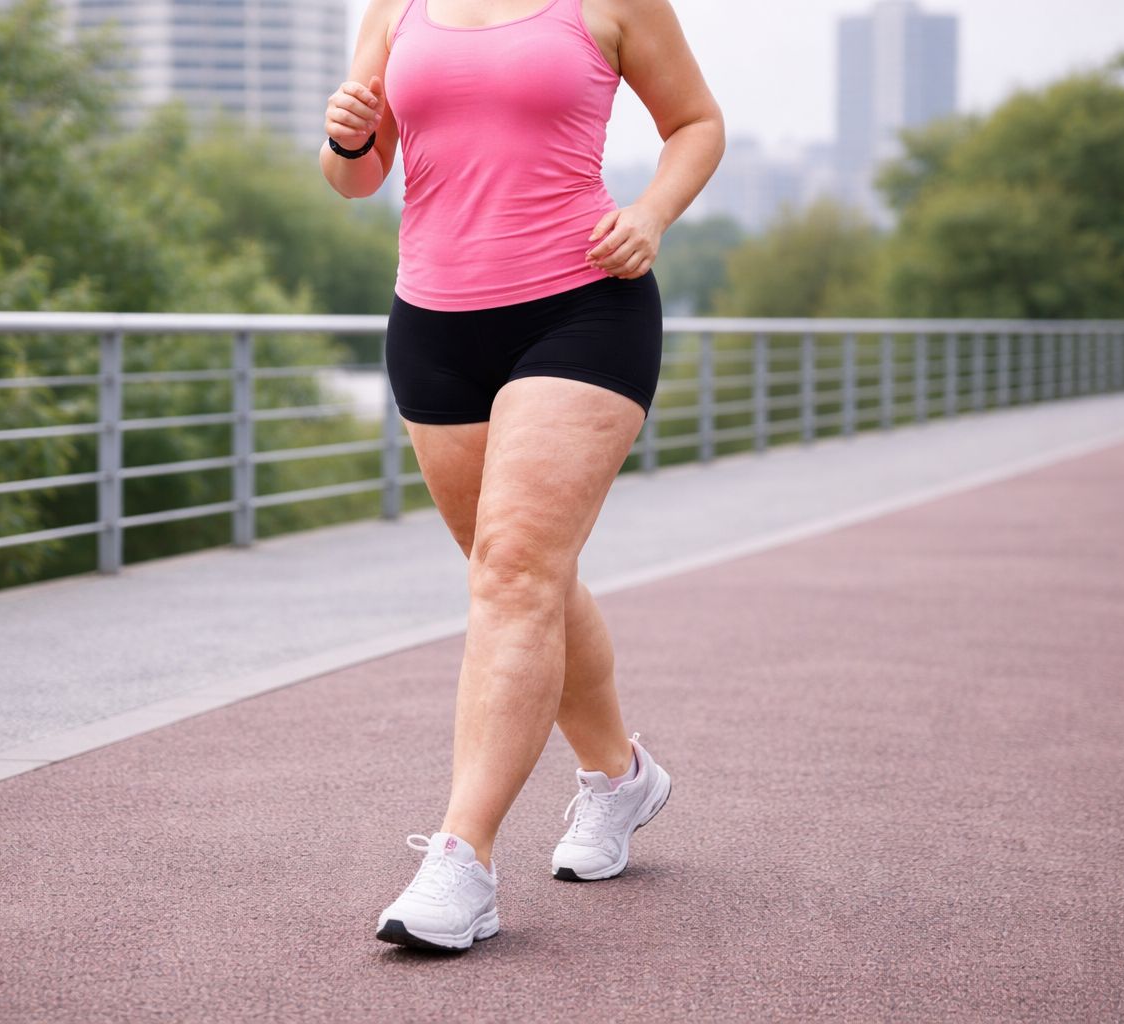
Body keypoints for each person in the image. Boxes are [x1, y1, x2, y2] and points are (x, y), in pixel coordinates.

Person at [320, 0, 724, 952]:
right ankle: (620, 779)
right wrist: (343, 141)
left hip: (583, 305)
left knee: (513, 572)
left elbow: (697, 124)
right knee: (523, 575)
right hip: (434, 321)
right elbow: (358, 177)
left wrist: (652, 214)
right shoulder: (399, 5)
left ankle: (463, 862)